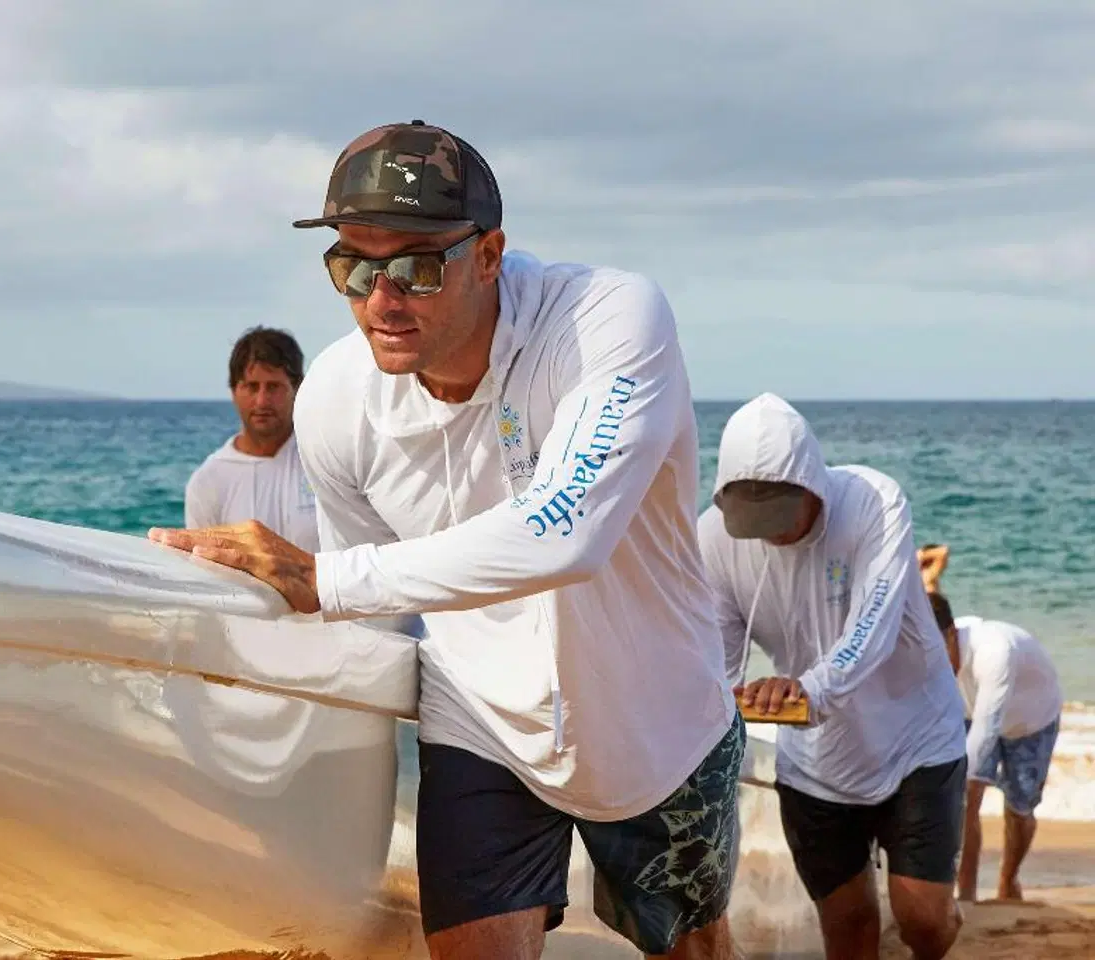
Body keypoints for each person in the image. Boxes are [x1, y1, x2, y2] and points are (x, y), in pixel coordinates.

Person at [151, 119, 742, 960]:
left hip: (657, 723)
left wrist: (322, 578)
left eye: (415, 268)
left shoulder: (609, 322)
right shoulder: (334, 403)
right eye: (351, 266)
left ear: (491, 254)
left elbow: (560, 532)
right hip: (480, 720)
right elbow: (375, 614)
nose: (380, 301)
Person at [697, 393, 968, 960]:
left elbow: (875, 624)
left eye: (778, 513)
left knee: (923, 923)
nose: (767, 534)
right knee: (848, 928)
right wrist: (718, 721)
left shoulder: (874, 502)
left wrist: (811, 688)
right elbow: (720, 661)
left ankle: (946, 917)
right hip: (816, 762)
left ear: (813, 486)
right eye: (751, 518)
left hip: (916, 741)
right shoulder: (715, 539)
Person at [928, 592, 1063, 903]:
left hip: (1031, 721)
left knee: (1019, 809)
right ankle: (967, 896)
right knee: (966, 798)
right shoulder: (929, 643)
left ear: (952, 634)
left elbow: (987, 729)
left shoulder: (994, 651)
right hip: (971, 711)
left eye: (935, 651)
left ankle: (1008, 878)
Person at [183, 326, 319, 553]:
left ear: (297, 388)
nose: (262, 401)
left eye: (273, 387)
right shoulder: (208, 482)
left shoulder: (324, 457)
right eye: (252, 387)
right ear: (234, 391)